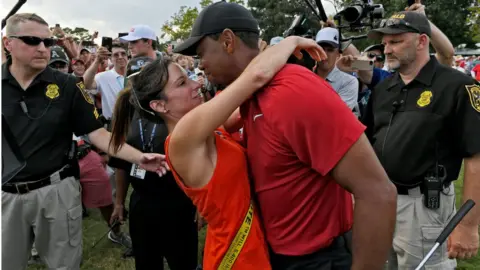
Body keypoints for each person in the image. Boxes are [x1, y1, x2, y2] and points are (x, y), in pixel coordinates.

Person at [174, 2, 397, 269]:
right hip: (274, 253)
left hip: (314, 260)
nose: (201, 67)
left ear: (227, 41)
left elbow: (377, 193)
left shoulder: (291, 92)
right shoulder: (247, 94)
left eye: (201, 53)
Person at [107, 37, 324, 269]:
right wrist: (291, 40)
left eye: (189, 78)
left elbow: (245, 103)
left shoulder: (205, 129)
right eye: (182, 83)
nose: (196, 85)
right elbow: (255, 78)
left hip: (249, 242)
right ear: (160, 106)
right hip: (236, 253)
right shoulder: (183, 138)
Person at [1, 13, 168, 270]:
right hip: (7, 194)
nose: (43, 48)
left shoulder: (68, 86)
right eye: (32, 40)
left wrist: (138, 157)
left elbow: (96, 133)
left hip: (56, 191)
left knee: (64, 265)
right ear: (7, 43)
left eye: (49, 42)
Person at [364, 10, 480, 269]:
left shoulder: (456, 86)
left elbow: (476, 158)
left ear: (422, 42)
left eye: (396, 41)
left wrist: (468, 225)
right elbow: (368, 142)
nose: (387, 50)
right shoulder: (383, 89)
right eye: (385, 43)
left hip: (425, 208)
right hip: (381, 202)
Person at [108, 57, 199, 270]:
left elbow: (196, 157)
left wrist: (199, 203)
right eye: (137, 78)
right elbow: (121, 164)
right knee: (147, 263)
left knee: (183, 261)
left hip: (178, 203)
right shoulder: (126, 112)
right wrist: (120, 202)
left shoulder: (174, 110)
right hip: (142, 204)